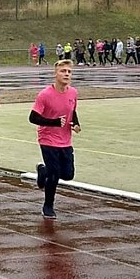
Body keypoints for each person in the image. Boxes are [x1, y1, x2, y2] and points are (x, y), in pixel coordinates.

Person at [29, 60, 81, 220]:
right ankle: (48, 206)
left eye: (69, 72)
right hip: (47, 139)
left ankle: (42, 170)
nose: (66, 74)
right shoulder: (45, 94)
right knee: (55, 174)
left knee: (68, 174)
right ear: (55, 74)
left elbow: (72, 111)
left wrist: (76, 124)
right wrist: (54, 122)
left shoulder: (73, 93)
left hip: (65, 140)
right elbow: (33, 117)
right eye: (63, 71)